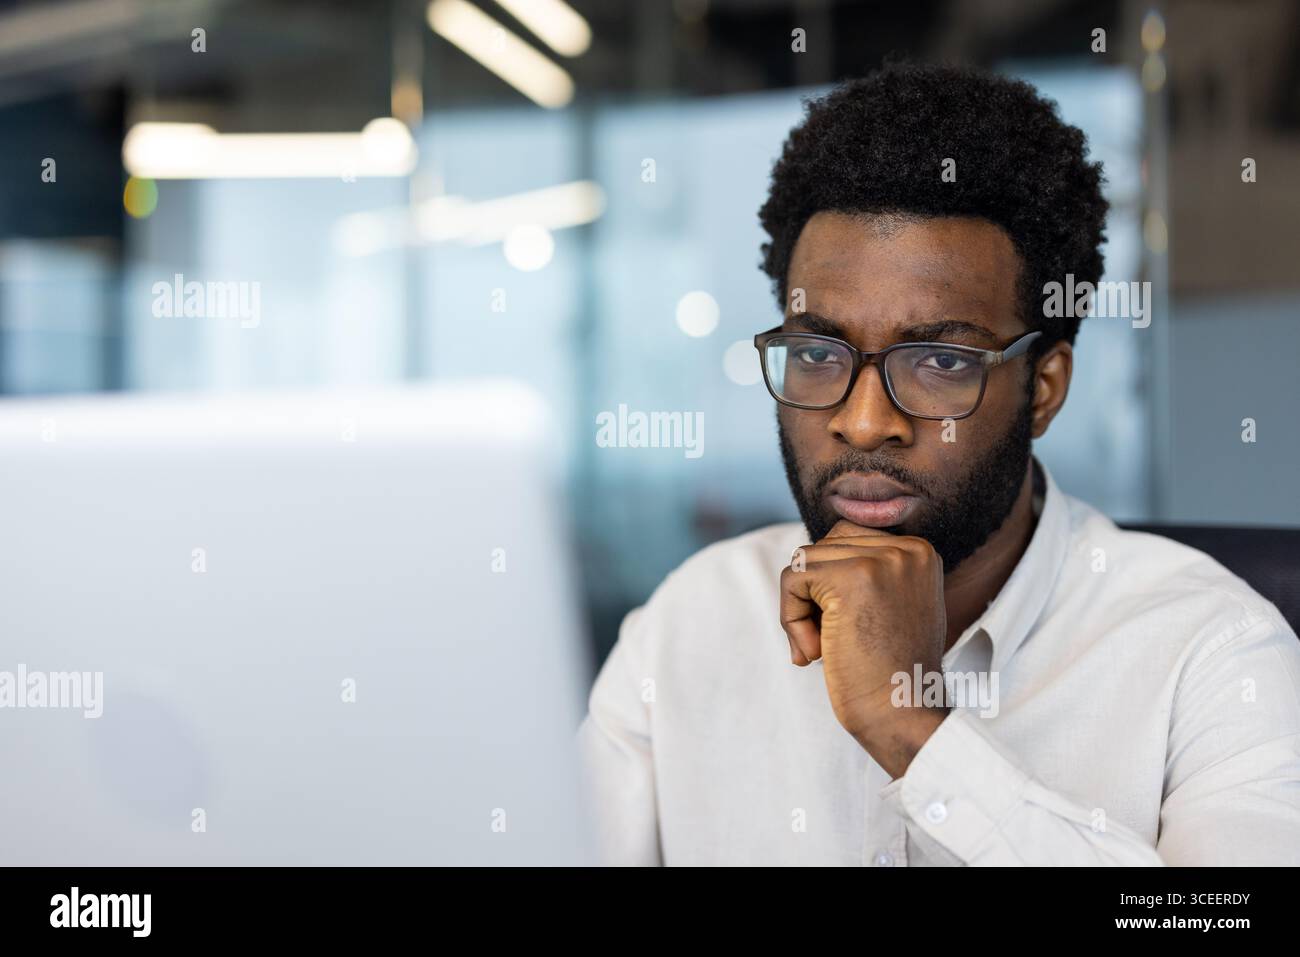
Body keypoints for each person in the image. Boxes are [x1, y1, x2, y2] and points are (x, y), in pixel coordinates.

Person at [576, 63, 1300, 866]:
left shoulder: (1210, 650)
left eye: (942, 361)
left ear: (1043, 389)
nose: (863, 422)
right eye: (817, 353)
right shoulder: (690, 624)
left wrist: (911, 729)